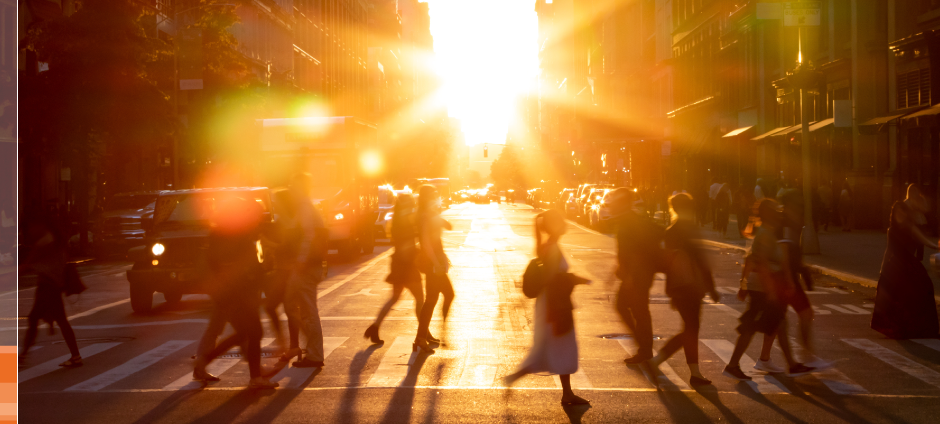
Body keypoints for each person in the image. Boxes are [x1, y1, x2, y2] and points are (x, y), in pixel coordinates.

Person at [502, 209, 590, 405]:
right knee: (556, 346)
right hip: (554, 305)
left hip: (552, 303)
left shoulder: (550, 245)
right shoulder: (551, 247)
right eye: (560, 220)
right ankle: (516, 378)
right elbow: (551, 278)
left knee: (555, 347)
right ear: (553, 225)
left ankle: (566, 393)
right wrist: (574, 279)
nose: (564, 223)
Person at [724, 199, 814, 380]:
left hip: (764, 288)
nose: (779, 214)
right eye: (775, 211)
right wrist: (770, 291)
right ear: (768, 214)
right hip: (762, 289)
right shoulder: (765, 234)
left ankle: (792, 364)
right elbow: (762, 263)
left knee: (780, 323)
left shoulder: (767, 233)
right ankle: (733, 365)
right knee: (749, 327)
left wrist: (744, 284)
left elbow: (753, 259)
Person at [193, 196, 278, 388]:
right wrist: (263, 271)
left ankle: (206, 360)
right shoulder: (240, 232)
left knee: (244, 333)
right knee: (254, 332)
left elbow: (213, 261)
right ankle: (255, 378)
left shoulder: (217, 232)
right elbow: (248, 262)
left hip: (226, 291)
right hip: (242, 290)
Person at [754, 190, 831, 373]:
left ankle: (765, 358)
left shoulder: (789, 222)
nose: (801, 207)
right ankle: (806, 358)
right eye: (798, 203)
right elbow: (784, 253)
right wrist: (791, 280)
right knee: (800, 315)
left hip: (787, 277)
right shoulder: (782, 223)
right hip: (783, 278)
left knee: (780, 320)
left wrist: (803, 272)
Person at [650, 193, 720, 386]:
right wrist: (711, 287)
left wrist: (670, 288)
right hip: (691, 285)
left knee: (690, 327)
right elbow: (700, 260)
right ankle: (660, 361)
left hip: (677, 285)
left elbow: (667, 262)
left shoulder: (671, 231)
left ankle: (692, 371)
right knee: (691, 328)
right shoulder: (689, 229)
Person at [871, 200, 940, 339]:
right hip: (894, 265)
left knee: (922, 289)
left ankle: (917, 327)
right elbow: (888, 250)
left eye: (903, 211)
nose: (900, 213)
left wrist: (937, 247)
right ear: (893, 213)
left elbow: (924, 240)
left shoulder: (910, 226)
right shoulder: (891, 230)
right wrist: (882, 269)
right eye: (897, 211)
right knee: (893, 296)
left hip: (909, 264)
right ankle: (897, 327)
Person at [610, 188, 664, 364]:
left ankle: (644, 346)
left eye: (614, 203)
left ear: (622, 204)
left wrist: (629, 276)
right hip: (641, 274)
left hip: (636, 276)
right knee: (638, 310)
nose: (611, 207)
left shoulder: (628, 221)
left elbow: (632, 253)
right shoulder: (630, 219)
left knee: (630, 308)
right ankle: (644, 346)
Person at [20, 217, 82, 367]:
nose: (31, 230)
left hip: (48, 286)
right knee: (58, 320)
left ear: (40, 225)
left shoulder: (45, 242)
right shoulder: (56, 239)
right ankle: (76, 356)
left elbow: (29, 263)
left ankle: (22, 356)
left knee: (34, 318)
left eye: (32, 226)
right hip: (54, 285)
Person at [365, 193, 425, 344]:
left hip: (398, 262)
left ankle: (375, 326)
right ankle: (423, 333)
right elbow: (407, 244)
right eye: (411, 203)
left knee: (394, 298)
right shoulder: (406, 220)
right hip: (406, 264)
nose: (413, 205)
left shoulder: (397, 218)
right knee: (420, 299)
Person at [284, 173, 329, 368]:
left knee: (307, 310)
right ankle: (307, 348)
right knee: (294, 305)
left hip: (306, 267)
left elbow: (308, 237)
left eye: (294, 186)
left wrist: (301, 261)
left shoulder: (305, 208)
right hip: (307, 265)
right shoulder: (306, 207)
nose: (291, 190)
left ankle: (314, 354)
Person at [414, 185, 454, 352]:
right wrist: (436, 262)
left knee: (433, 299)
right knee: (440, 297)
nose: (436, 197)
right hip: (432, 264)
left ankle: (422, 337)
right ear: (426, 198)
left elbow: (447, 227)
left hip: (436, 261)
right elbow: (426, 243)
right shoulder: (424, 216)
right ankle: (422, 337)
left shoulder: (431, 214)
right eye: (433, 195)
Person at [904, 183, 929, 261]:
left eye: (916, 190)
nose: (914, 192)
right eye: (912, 190)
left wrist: (918, 208)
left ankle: (919, 261)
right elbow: (905, 213)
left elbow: (925, 209)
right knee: (913, 243)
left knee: (921, 244)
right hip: (913, 224)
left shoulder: (922, 199)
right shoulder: (907, 201)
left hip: (922, 223)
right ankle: (910, 261)